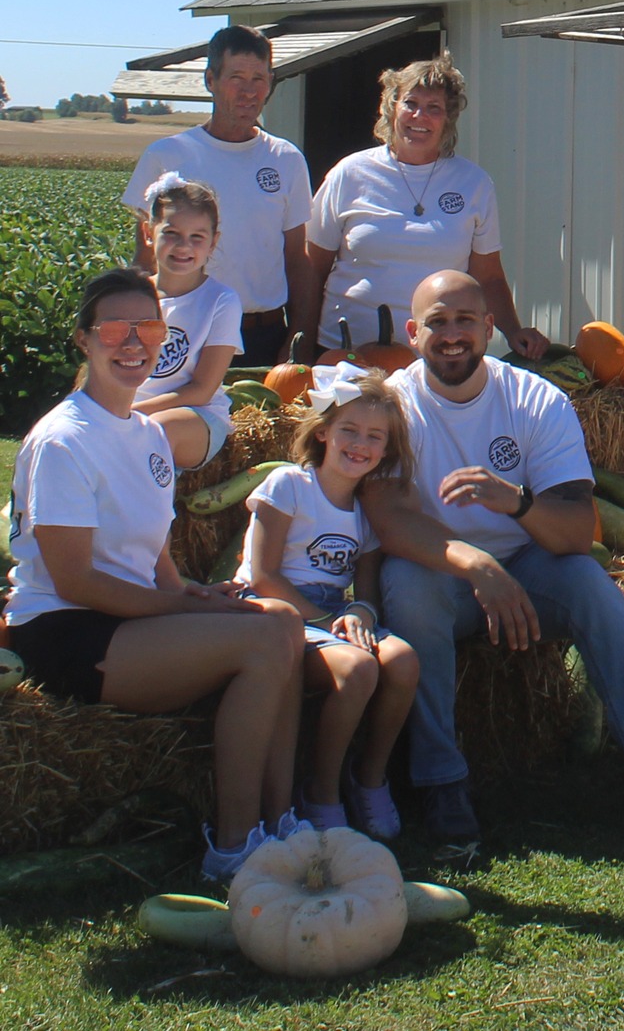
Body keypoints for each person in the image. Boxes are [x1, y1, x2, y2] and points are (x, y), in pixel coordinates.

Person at [360, 271, 624, 849]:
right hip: (442, 575)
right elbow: (389, 522)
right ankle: (442, 782)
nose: (453, 334)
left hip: (530, 565)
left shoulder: (536, 400)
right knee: (406, 586)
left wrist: (514, 502)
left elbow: (569, 533)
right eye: (437, 322)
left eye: (466, 320)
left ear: (490, 328)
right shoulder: (391, 406)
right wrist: (477, 567)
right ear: (413, 333)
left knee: (590, 585)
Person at [3, 269, 304, 882]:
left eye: (148, 326)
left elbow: (155, 559)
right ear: (84, 340)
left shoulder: (146, 434)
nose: (132, 340)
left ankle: (283, 822)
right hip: (67, 632)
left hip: (125, 620)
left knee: (283, 622)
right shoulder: (64, 440)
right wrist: (186, 612)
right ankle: (233, 849)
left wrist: (194, 594)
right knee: (262, 638)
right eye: (114, 327)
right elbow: (75, 581)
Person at [237, 366, 420, 840]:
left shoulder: (366, 511)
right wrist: (325, 618)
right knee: (357, 669)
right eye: (349, 430)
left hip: (334, 612)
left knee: (401, 660)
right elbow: (263, 575)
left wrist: (360, 612)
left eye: (374, 437)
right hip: (275, 611)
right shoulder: (288, 487)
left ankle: (370, 778)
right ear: (323, 432)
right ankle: (319, 791)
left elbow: (366, 588)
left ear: (385, 450)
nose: (360, 444)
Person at [299, 55, 549, 360]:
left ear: (448, 120)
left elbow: (489, 277)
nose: (420, 116)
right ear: (392, 108)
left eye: (434, 109)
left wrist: (514, 332)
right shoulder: (349, 173)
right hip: (346, 354)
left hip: (439, 358)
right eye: (411, 103)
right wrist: (300, 342)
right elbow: (313, 268)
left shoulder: (473, 183)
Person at [123, 25, 313, 366]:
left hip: (262, 335)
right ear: (210, 80)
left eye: (259, 79)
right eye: (236, 78)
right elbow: (145, 258)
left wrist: (298, 338)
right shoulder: (166, 155)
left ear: (270, 82)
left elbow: (297, 260)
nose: (248, 91)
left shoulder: (286, 159)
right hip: (181, 331)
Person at [133, 174, 243, 471]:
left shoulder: (221, 300)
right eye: (171, 234)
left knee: (155, 432)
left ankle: (147, 516)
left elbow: (202, 389)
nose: (184, 246)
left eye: (197, 237)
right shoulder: (131, 296)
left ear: (213, 242)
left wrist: (128, 413)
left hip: (194, 415)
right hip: (129, 412)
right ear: (148, 232)